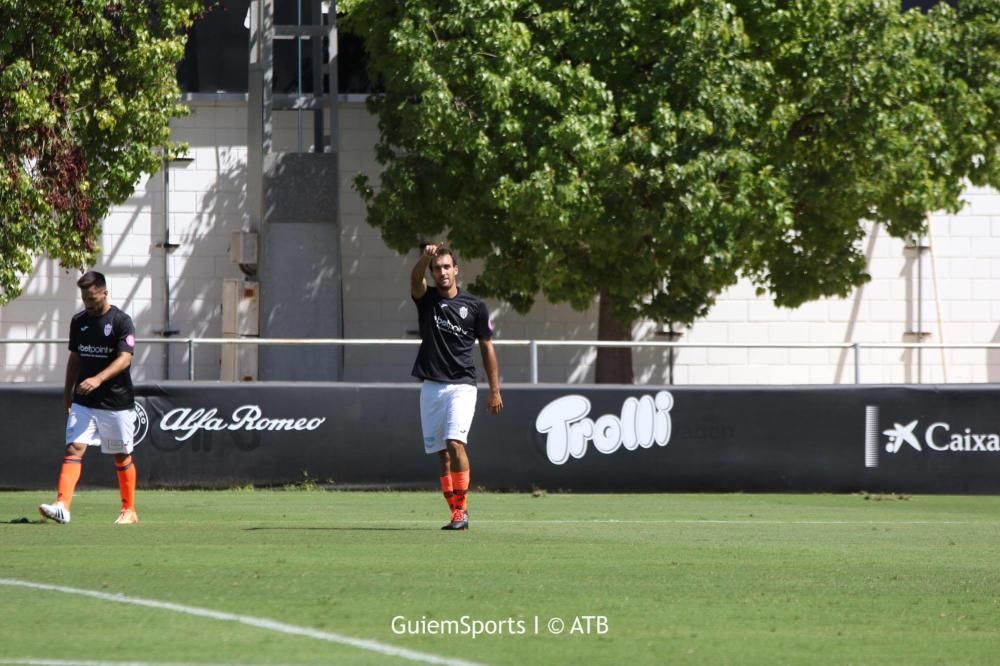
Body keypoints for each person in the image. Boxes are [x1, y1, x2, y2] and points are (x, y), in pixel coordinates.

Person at [410, 244, 503, 530]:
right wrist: (425, 256)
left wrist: (495, 389)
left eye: (446, 267)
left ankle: (462, 511)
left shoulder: (474, 306)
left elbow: (487, 348)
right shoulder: (426, 300)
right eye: (437, 268)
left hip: (462, 386)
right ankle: (455, 513)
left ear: (456, 269)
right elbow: (415, 280)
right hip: (431, 387)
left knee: (454, 443)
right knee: (442, 455)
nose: (442, 272)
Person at [39, 271, 139, 525]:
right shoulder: (79, 321)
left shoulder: (121, 321)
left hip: (115, 402)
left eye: (92, 298)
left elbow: (125, 358)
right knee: (74, 448)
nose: (88, 303)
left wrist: (98, 379)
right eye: (84, 298)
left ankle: (129, 510)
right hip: (84, 401)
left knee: (121, 455)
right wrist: (67, 393)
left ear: (105, 293)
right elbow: (75, 357)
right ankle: (62, 506)